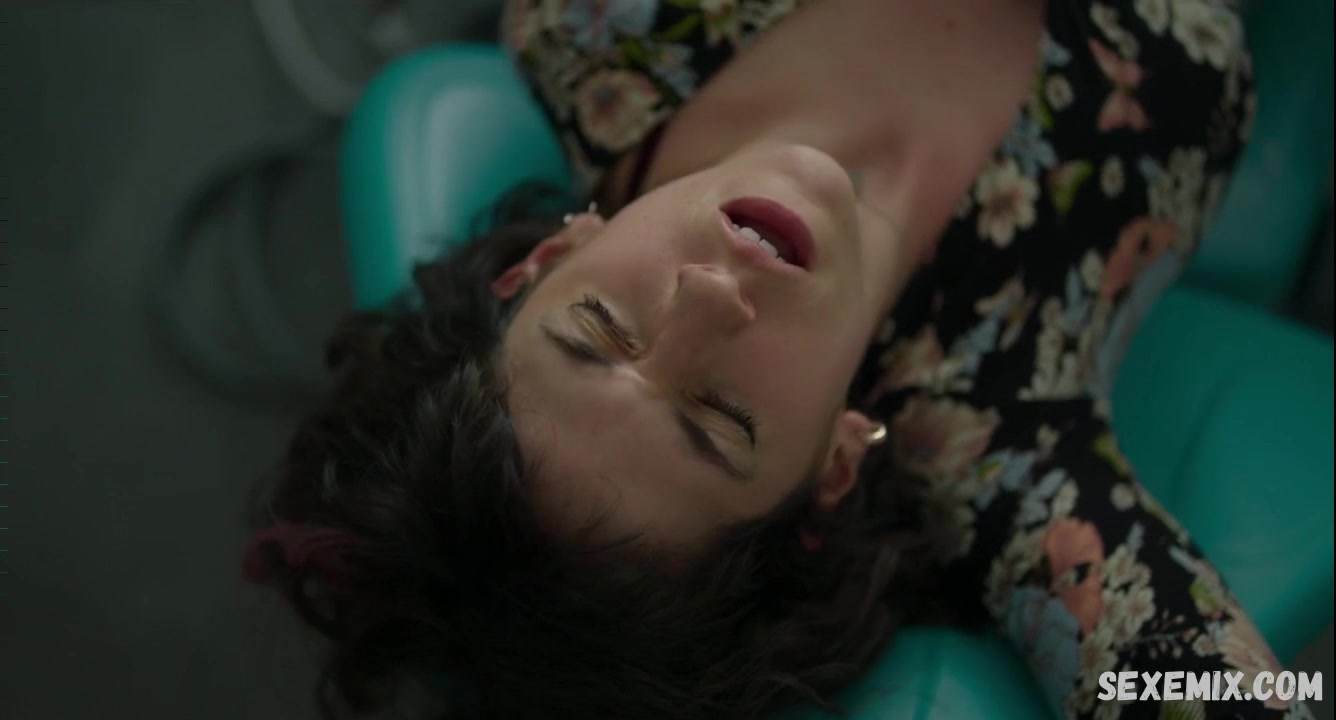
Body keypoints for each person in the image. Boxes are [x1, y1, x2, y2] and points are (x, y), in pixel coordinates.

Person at [244, 1, 1310, 718]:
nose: (713, 300)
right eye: (720, 422)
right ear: (831, 470)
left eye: (601, 328)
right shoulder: (1000, 438)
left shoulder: (598, 29)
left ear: (551, 258)